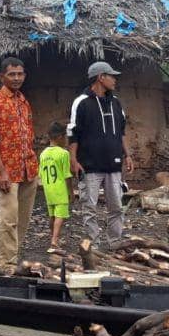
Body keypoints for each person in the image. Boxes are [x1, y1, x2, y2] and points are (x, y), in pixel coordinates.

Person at [67, 61, 133, 247]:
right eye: (111, 76)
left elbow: (121, 132)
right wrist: (74, 160)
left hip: (113, 165)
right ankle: (93, 246)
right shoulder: (81, 102)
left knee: (117, 207)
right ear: (100, 77)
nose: (115, 79)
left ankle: (115, 242)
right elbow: (73, 133)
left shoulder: (116, 103)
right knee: (90, 207)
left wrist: (127, 155)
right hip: (89, 165)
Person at [0, 57, 38, 274]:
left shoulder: (23, 101)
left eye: (20, 74)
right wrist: (1, 171)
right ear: (2, 77)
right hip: (9, 170)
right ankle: (5, 263)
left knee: (23, 218)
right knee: (9, 218)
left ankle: (13, 257)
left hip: (28, 168)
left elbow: (28, 135)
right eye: (12, 74)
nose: (16, 78)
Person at [39, 121, 73, 249]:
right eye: (65, 137)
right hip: (60, 189)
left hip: (48, 189)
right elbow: (67, 175)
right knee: (60, 216)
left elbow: (40, 174)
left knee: (52, 215)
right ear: (59, 137)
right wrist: (70, 192)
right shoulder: (63, 153)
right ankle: (55, 239)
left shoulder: (43, 154)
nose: (65, 140)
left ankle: (52, 236)